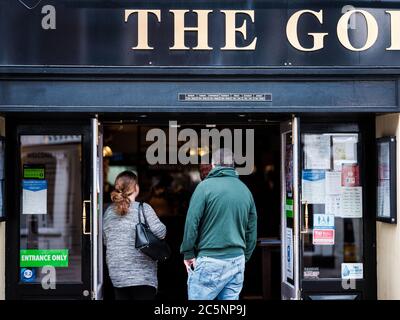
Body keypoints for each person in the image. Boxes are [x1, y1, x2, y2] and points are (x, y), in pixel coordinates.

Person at [180, 148, 258, 300]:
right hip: (237, 260)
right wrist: (244, 255)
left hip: (211, 258)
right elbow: (252, 229)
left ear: (213, 165)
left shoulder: (204, 187)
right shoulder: (245, 190)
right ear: (233, 165)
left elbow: (191, 222)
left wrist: (188, 252)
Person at [103, 170, 166, 300]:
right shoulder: (144, 208)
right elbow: (161, 233)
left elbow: (105, 240)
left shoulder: (109, 211)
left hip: (117, 274)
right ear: (136, 188)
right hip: (142, 276)